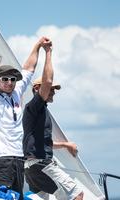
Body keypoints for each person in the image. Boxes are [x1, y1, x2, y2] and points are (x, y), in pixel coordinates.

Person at [0, 32, 52, 200]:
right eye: (5, 79)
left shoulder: (16, 93)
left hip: (19, 160)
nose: (10, 82)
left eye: (12, 79)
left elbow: (29, 69)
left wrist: (38, 46)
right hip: (1, 161)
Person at [22, 41, 84, 200]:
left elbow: (42, 141)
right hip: (42, 165)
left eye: (55, 90)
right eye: (51, 90)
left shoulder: (39, 111)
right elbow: (47, 80)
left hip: (32, 168)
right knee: (76, 194)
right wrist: (48, 52)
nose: (53, 92)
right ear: (37, 89)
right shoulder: (35, 105)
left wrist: (65, 144)